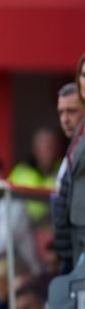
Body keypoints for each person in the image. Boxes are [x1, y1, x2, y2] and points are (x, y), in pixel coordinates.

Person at [54, 57, 85, 272]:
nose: (65, 119)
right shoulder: (76, 140)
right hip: (72, 246)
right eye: (61, 112)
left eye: (71, 111)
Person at [7, 126, 64, 225]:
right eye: (43, 147)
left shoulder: (65, 169)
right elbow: (7, 200)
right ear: (35, 149)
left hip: (55, 225)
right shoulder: (21, 171)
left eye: (51, 147)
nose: (47, 152)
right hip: (25, 226)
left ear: (57, 149)